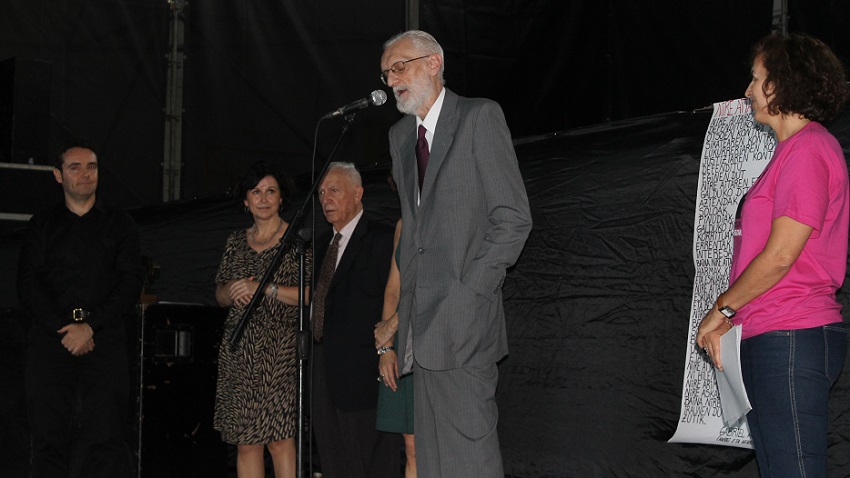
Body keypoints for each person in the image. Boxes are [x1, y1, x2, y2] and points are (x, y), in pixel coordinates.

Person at [697, 32, 850, 477]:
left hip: (792, 334)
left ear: (781, 84)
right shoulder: (792, 152)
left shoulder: (808, 149)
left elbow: (781, 255)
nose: (747, 91)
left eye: (756, 79)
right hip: (773, 333)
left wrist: (722, 308)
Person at [381, 30, 533, 477]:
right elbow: (415, 235)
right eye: (386, 72)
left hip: (465, 324)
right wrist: (399, 318)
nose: (392, 80)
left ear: (433, 63)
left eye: (399, 67)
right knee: (432, 464)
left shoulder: (479, 116)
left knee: (471, 461)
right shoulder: (398, 137)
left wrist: (469, 294)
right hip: (420, 330)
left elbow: (513, 219)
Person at [17, 139, 145, 477]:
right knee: (48, 438)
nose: (85, 174)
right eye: (75, 167)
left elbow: (130, 283)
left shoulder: (121, 224)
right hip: (51, 342)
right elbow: (28, 285)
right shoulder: (41, 224)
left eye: (92, 167)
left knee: (105, 438)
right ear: (58, 176)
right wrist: (65, 328)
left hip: (104, 341)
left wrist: (90, 326)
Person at [214, 162, 310, 478]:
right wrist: (232, 291)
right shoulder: (235, 241)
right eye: (256, 192)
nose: (264, 198)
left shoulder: (298, 240)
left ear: (282, 198)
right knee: (245, 442)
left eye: (271, 191)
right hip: (239, 350)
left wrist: (264, 289)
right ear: (245, 200)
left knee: (279, 440)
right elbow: (219, 295)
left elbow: (310, 294)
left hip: (279, 349)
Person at [310, 162, 400, 478]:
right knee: (335, 459)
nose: (325, 199)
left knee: (372, 463)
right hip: (323, 369)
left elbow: (394, 298)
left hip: (365, 372)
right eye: (321, 193)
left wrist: (385, 350)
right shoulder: (320, 245)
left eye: (334, 190)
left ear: (358, 193)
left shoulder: (382, 238)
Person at [374, 219, 416, 477]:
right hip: (404, 340)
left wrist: (390, 326)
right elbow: (393, 289)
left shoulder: (447, 212)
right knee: (411, 445)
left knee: (432, 441)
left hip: (436, 337)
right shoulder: (402, 224)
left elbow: (436, 284)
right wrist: (386, 348)